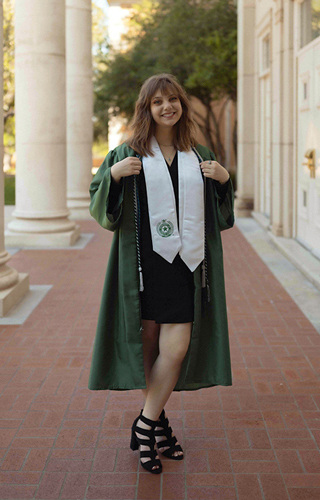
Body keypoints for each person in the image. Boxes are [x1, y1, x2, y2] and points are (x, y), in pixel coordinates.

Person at [88, 73, 235, 474]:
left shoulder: (199, 154)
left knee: (178, 346)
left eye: (173, 99)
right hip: (143, 267)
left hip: (186, 265)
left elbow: (221, 216)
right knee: (149, 348)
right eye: (158, 102)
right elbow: (101, 206)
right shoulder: (126, 154)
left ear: (182, 105)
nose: (167, 107)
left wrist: (224, 180)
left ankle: (145, 424)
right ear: (146, 108)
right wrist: (114, 178)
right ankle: (160, 426)